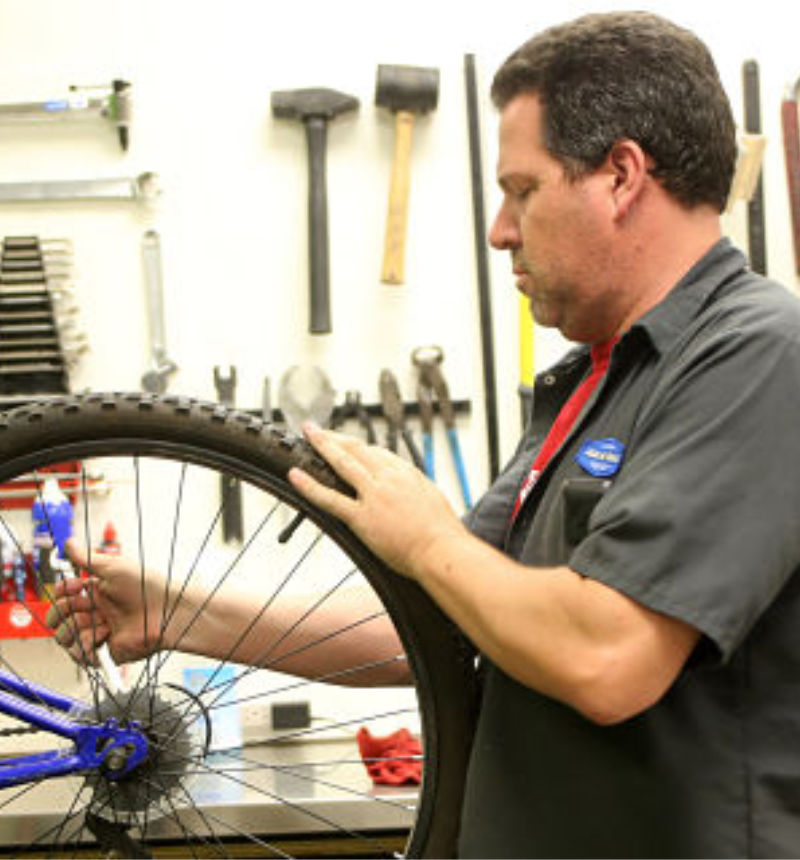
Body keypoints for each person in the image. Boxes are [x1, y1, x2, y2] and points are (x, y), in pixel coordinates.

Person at [47, 10, 800, 858]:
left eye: (522, 190)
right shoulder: (597, 377)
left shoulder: (761, 356)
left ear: (621, 175)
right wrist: (183, 612)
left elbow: (609, 658)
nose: (500, 230)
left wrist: (430, 536)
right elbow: (448, 621)